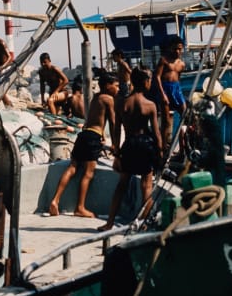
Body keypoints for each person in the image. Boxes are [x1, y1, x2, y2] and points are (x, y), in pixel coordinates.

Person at [48, 73, 121, 218]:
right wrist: (114, 144)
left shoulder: (95, 97)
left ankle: (55, 201)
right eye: (116, 85)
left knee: (72, 168)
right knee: (88, 173)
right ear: (108, 86)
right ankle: (80, 207)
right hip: (93, 137)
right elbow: (113, 122)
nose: (118, 89)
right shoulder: (108, 99)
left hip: (83, 135)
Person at [102, 67, 163, 230]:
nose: (150, 82)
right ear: (144, 82)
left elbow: (116, 128)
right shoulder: (150, 105)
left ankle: (109, 223)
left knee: (122, 185)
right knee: (146, 185)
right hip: (145, 144)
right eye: (149, 80)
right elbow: (156, 133)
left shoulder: (122, 103)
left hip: (129, 144)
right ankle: (145, 224)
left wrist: (116, 149)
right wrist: (161, 151)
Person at [156, 37, 187, 151]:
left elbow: (179, 78)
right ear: (170, 48)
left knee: (185, 114)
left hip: (176, 88)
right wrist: (162, 94)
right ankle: (163, 147)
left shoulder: (182, 64)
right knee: (166, 120)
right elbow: (157, 77)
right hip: (165, 88)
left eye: (179, 49)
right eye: (175, 49)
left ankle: (183, 147)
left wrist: (179, 92)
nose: (177, 51)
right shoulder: (164, 60)